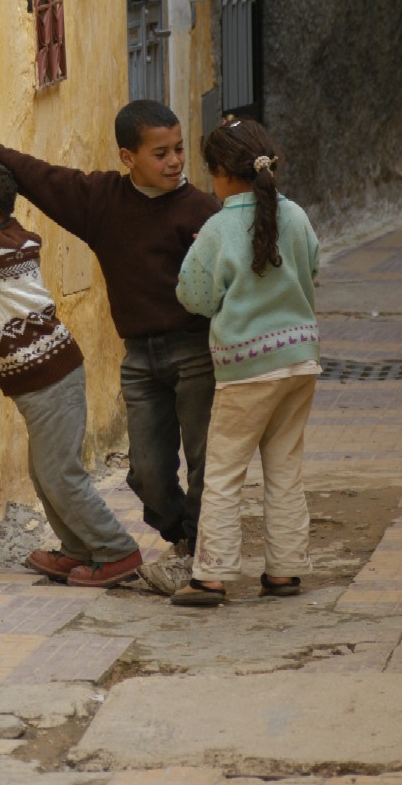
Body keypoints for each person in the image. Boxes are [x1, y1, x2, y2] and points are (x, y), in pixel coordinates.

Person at [0, 102, 219, 596]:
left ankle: (190, 553)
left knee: (205, 461)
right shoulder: (101, 201)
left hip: (195, 351)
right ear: (128, 157)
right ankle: (162, 540)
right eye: (161, 153)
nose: (175, 162)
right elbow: (33, 174)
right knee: (145, 473)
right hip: (141, 358)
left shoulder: (202, 211)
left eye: (179, 150)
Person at [0, 156, 142, 588]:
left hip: (50, 379)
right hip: (46, 379)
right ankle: (78, 549)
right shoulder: (9, 240)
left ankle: (117, 550)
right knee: (46, 472)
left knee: (60, 473)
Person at [170, 118, 321, 607]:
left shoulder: (217, 228)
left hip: (245, 368)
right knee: (284, 467)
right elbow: (313, 265)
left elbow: (192, 295)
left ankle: (211, 574)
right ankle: (285, 569)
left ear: (220, 173)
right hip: (300, 360)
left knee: (225, 470)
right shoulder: (294, 215)